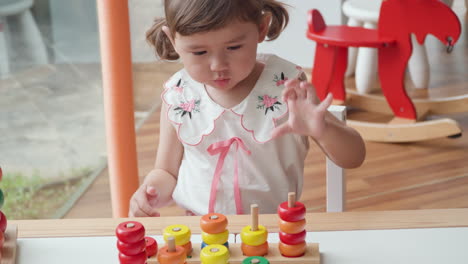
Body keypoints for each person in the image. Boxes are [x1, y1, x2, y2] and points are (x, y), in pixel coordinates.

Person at [129, 0, 365, 217]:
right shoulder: (179, 95)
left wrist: (322, 130)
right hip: (202, 230)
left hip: (277, 227)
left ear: (262, 28)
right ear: (173, 41)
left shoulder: (286, 85)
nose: (218, 65)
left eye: (233, 47)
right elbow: (166, 172)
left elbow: (354, 157)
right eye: (199, 52)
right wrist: (151, 191)